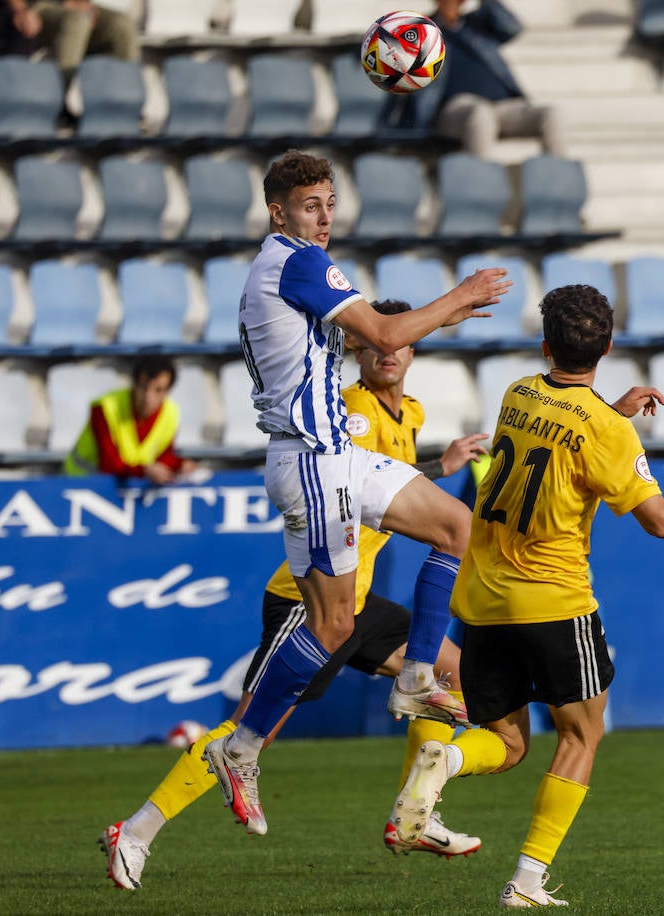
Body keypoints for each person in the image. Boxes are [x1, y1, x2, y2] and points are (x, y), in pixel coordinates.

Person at [97, 300, 492, 890]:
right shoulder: (353, 410)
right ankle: (134, 832)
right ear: (358, 351)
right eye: (377, 345)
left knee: (454, 670)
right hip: (307, 601)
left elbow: (387, 490)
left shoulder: (409, 411)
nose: (388, 353)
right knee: (246, 732)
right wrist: (435, 474)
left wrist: (438, 465)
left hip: (353, 603)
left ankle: (416, 812)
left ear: (414, 352)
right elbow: (365, 491)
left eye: (399, 345)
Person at [386, 284, 664, 908]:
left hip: (483, 601)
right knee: (582, 738)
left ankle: (444, 762)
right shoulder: (610, 432)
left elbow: (563, 432)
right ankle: (526, 883)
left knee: (505, 744)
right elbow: (660, 521)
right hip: (555, 601)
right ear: (608, 346)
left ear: (545, 344)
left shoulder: (518, 392)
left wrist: (611, 412)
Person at [198, 149, 510, 838]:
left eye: (330, 204)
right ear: (278, 210)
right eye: (312, 205)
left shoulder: (285, 268)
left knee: (458, 527)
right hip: (312, 461)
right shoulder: (295, 260)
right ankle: (241, 747)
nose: (326, 216)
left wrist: (442, 320)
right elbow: (386, 333)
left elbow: (364, 335)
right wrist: (461, 295)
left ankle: (416, 674)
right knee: (334, 625)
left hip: (335, 454)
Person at [382, 0, 567, 159]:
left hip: (502, 107)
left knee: (550, 115)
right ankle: (479, 189)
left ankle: (560, 188)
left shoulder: (477, 25)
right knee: (481, 114)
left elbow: (512, 28)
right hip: (454, 111)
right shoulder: (421, 32)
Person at [64, 355, 201, 484]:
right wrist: (144, 470)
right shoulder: (105, 407)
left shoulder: (170, 413)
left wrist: (180, 464)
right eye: (144, 387)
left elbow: (163, 455)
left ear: (168, 392)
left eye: (158, 390)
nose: (149, 398)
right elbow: (108, 464)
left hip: (121, 488)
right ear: (134, 384)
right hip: (78, 484)